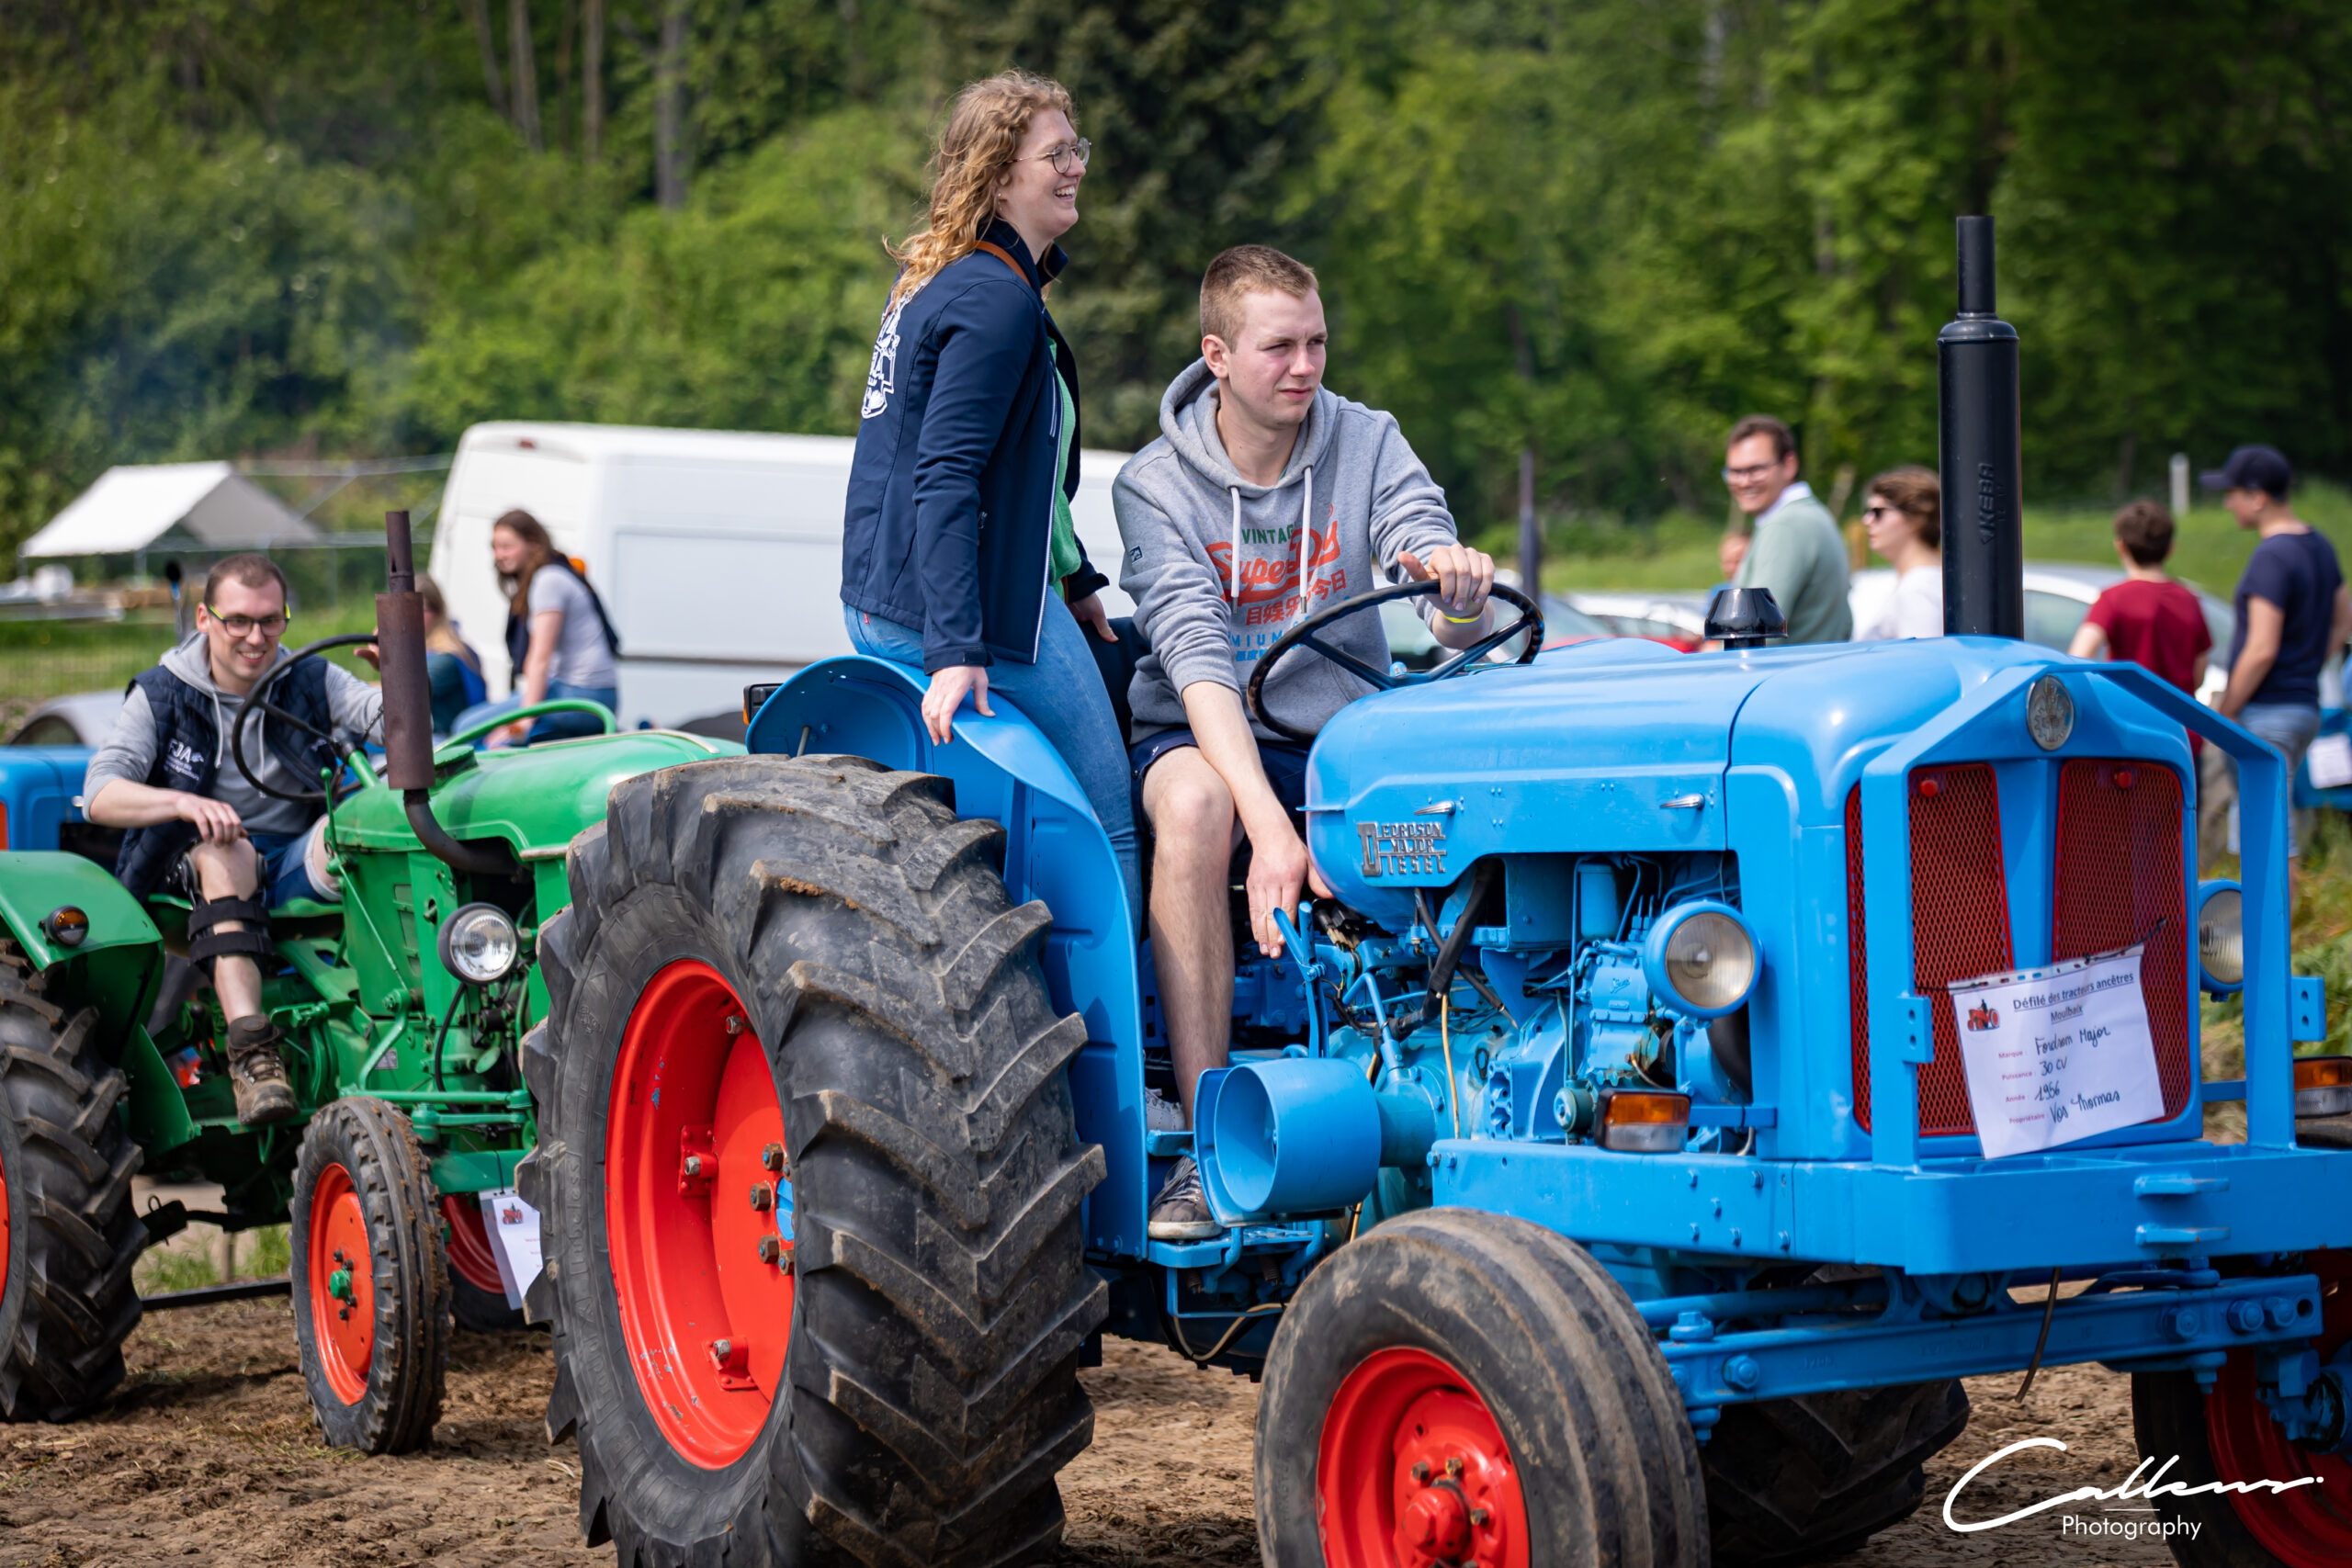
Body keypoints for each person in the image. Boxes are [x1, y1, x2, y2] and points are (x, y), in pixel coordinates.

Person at [1116, 244, 1498, 1240]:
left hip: (1337, 730)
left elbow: (1425, 564)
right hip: (1199, 728)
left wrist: (1451, 585)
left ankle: (1458, 1086)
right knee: (1197, 806)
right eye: (1278, 347)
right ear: (1217, 356)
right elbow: (1197, 661)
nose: (1304, 366)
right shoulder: (1154, 485)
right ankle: (1204, 1143)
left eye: (1317, 342)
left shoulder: (1366, 439)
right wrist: (1272, 830)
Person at [839, 70, 1141, 916]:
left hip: (901, 596)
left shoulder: (946, 278)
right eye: (1057, 155)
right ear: (1001, 174)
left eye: (1077, 150)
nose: (1076, 168)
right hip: (949, 611)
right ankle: (1146, 1000)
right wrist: (954, 646)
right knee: (1114, 815)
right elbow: (944, 473)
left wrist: (1073, 579)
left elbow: (1023, 467)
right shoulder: (995, 300)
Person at [83, 555, 382, 1125]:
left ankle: (394, 1020)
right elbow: (100, 793)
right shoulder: (162, 693)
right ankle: (252, 1054)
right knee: (228, 850)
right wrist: (183, 804)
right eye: (238, 620)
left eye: (270, 620)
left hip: (289, 861)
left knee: (361, 825)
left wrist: (400, 677)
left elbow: (387, 720)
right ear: (205, 618)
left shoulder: (310, 678)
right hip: (191, 866)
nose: (256, 637)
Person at [2205, 445, 2351, 863]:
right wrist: (2307, 665)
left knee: (2267, 840)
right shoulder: (2319, 546)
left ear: (2258, 497)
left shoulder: (2272, 556)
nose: (2228, 503)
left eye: (2232, 493)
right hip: (2303, 708)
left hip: (2267, 713)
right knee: (2272, 830)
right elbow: (2344, 620)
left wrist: (2227, 711)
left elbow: (2262, 647)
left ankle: (2272, 910)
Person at [455, 510, 621, 747]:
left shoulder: (548, 581)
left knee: (467, 729)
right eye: (495, 547)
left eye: (507, 547)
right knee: (476, 725)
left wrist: (524, 722)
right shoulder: (552, 575)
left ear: (533, 543)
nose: (499, 555)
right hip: (580, 691)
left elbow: (540, 659)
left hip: (584, 696)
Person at [2067, 502, 2211, 754]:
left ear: (2120, 546)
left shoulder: (2113, 599)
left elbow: (2078, 660)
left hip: (2130, 734)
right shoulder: (2190, 600)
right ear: (2170, 548)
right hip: (2182, 737)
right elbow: (2199, 673)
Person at [1720, 415, 1850, 643]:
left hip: (1791, 666)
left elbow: (1757, 635)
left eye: (1756, 469)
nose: (1744, 482)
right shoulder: (1816, 516)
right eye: (1735, 472)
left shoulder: (1785, 526)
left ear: (1789, 465)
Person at [1851, 466, 1942, 640]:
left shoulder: (1919, 590)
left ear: (1917, 517)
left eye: (1878, 512)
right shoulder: (1925, 581)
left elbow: (1924, 656)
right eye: (1867, 512)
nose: (1867, 521)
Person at [419, 573, 487, 737]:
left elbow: (406, 694)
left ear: (437, 611)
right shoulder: (455, 647)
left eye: (418, 609)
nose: (407, 617)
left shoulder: (444, 658)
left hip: (448, 740)